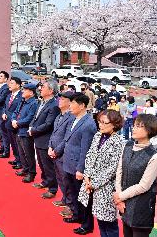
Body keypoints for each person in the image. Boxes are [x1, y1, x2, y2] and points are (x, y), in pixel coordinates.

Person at [51, 93, 97, 225]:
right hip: (68, 163)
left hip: (77, 166)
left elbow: (85, 149)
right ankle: (77, 215)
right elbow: (67, 139)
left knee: (83, 197)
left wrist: (80, 169)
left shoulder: (88, 124)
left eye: (72, 103)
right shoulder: (74, 119)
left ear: (82, 106)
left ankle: (86, 224)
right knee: (74, 193)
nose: (70, 106)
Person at [77, 110, 125, 236]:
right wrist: (86, 176)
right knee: (99, 220)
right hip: (90, 183)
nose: (101, 125)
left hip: (106, 188)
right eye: (99, 122)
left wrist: (94, 183)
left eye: (104, 123)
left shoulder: (118, 142)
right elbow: (90, 156)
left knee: (109, 222)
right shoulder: (98, 135)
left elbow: (112, 169)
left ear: (114, 124)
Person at [114, 114, 157, 237]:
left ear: (149, 130)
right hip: (124, 203)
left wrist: (120, 197)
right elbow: (119, 170)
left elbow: (144, 186)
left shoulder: (154, 156)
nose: (134, 128)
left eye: (139, 126)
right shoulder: (128, 145)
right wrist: (119, 195)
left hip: (141, 207)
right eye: (135, 125)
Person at [29, 80, 60, 199]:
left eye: (43, 87)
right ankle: (45, 181)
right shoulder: (42, 102)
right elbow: (35, 118)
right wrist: (31, 127)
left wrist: (34, 130)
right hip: (38, 137)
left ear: (51, 91)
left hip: (45, 138)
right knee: (41, 163)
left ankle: (52, 189)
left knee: (48, 165)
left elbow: (48, 124)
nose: (41, 89)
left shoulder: (53, 105)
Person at [48, 91, 75, 215]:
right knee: (59, 177)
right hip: (54, 151)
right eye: (60, 98)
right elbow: (53, 134)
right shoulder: (59, 116)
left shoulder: (71, 117)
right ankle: (64, 199)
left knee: (66, 180)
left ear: (70, 103)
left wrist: (56, 150)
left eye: (63, 99)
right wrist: (50, 147)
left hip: (63, 153)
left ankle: (70, 205)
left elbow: (67, 138)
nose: (60, 101)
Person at [12, 83, 38, 183]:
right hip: (18, 129)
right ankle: (25, 168)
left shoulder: (33, 103)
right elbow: (15, 112)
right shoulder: (23, 101)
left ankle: (31, 173)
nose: (23, 91)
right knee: (21, 152)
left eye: (25, 90)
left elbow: (30, 118)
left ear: (31, 93)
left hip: (25, 131)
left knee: (29, 153)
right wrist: (14, 120)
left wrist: (17, 123)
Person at [2, 77, 23, 168]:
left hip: (15, 123)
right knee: (12, 143)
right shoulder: (9, 95)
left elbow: (20, 110)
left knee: (17, 143)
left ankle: (21, 162)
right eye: (9, 83)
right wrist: (3, 113)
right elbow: (5, 106)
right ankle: (16, 158)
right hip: (7, 122)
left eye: (12, 83)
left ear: (18, 85)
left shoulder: (21, 96)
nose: (9, 85)